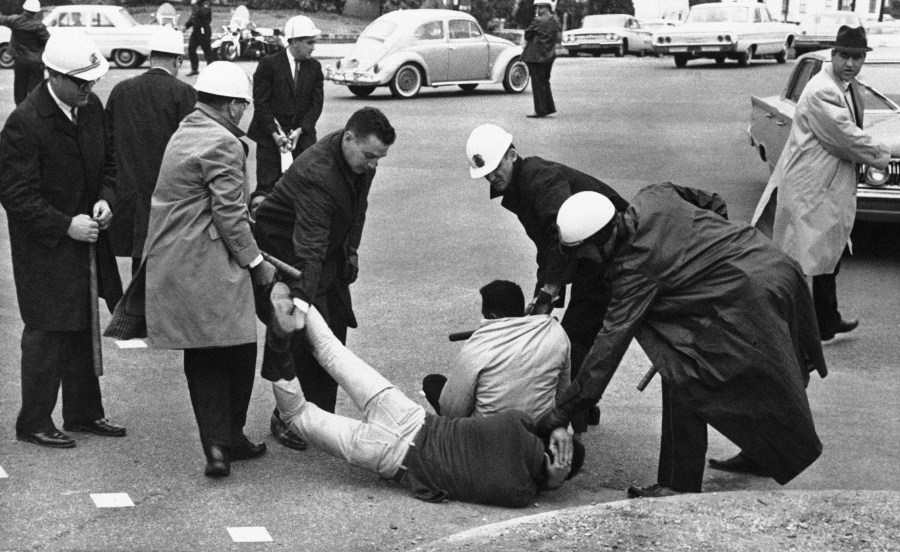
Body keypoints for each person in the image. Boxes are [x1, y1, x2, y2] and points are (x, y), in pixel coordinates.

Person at [537, 186, 827, 498]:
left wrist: (560, 413)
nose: (585, 262)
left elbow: (605, 352)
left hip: (751, 294)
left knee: (683, 371)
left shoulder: (635, 268)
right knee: (753, 375)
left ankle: (678, 483)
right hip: (772, 263)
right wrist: (707, 253)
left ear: (601, 240)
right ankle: (760, 454)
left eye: (583, 254)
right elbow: (714, 200)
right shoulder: (652, 197)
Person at [267, 302, 585, 508]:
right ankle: (278, 343)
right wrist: (551, 480)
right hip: (392, 457)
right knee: (298, 415)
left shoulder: (518, 423)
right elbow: (530, 489)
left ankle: (297, 297)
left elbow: (533, 423)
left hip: (409, 416)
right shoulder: (519, 492)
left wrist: (559, 428)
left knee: (330, 350)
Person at [141, 61, 276, 477]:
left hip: (174, 262)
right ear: (235, 106)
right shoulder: (224, 143)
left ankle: (218, 444)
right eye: (245, 105)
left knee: (203, 354)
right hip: (208, 262)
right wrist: (256, 262)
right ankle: (227, 438)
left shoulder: (186, 131)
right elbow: (230, 215)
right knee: (238, 347)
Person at [0, 32, 125, 448]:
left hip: (86, 238)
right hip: (46, 246)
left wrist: (106, 199)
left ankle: (83, 413)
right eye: (81, 82)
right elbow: (16, 195)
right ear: (53, 76)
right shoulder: (25, 122)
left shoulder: (90, 109)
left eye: (93, 81)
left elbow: (109, 164)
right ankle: (33, 420)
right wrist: (63, 225)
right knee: (47, 330)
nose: (90, 89)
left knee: (82, 323)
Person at [466, 123, 628, 433]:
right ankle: (581, 409)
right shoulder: (520, 186)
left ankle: (573, 414)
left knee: (575, 338)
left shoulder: (540, 180)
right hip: (591, 257)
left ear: (512, 155)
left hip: (611, 254)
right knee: (578, 335)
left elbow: (560, 235)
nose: (492, 177)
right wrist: (542, 295)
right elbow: (547, 247)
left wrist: (547, 295)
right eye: (486, 174)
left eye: (496, 168)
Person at [253, 107, 395, 451]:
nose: (374, 164)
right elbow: (309, 247)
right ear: (349, 138)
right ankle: (286, 416)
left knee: (335, 333)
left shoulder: (360, 161)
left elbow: (358, 209)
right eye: (369, 155)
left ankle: (316, 415)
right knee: (303, 332)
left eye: (379, 157)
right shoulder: (319, 174)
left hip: (322, 251)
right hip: (286, 256)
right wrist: (300, 300)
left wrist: (351, 252)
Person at [751, 25, 899, 343]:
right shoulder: (823, 90)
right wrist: (886, 152)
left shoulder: (844, 85)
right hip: (813, 189)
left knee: (822, 260)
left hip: (822, 186)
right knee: (812, 260)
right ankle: (807, 328)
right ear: (833, 55)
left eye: (857, 57)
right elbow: (845, 137)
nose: (850, 63)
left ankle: (825, 321)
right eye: (845, 56)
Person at [105, 28, 197, 275]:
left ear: (151, 57)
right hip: (169, 197)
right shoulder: (184, 93)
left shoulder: (121, 90)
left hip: (128, 192)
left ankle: (133, 311)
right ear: (178, 60)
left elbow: (108, 142)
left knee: (139, 264)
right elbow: (192, 146)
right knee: (164, 269)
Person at [422, 280, 570, 420]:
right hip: (536, 427)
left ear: (493, 316)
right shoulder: (557, 333)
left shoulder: (477, 347)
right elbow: (563, 394)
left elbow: (452, 412)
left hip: (487, 434)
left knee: (433, 383)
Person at [247, 15, 324, 204]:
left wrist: (300, 130)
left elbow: (316, 104)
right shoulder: (268, 65)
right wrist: (275, 135)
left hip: (302, 139)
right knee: (267, 189)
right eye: (309, 42)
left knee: (305, 189)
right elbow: (261, 102)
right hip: (269, 139)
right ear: (295, 42)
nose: (313, 47)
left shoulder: (315, 67)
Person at [0, 0, 50, 105]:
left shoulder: (15, 20)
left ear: (24, 9)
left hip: (20, 61)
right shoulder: (39, 26)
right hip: (35, 63)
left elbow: (2, 19)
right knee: (35, 90)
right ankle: (35, 112)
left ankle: (20, 110)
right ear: (36, 12)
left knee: (20, 89)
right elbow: (48, 42)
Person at [521, 0, 560, 118]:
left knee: (537, 84)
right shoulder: (555, 20)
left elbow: (528, 33)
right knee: (545, 82)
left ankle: (540, 110)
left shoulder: (538, 21)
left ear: (543, 8)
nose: (537, 10)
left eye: (538, 8)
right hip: (549, 55)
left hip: (537, 56)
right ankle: (549, 107)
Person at [184, 0, 214, 77]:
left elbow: (201, 13)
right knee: (191, 49)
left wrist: (194, 4)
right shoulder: (197, 5)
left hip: (204, 30)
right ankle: (194, 69)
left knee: (207, 51)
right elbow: (193, 17)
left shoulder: (206, 4)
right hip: (196, 30)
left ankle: (211, 70)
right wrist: (186, 26)